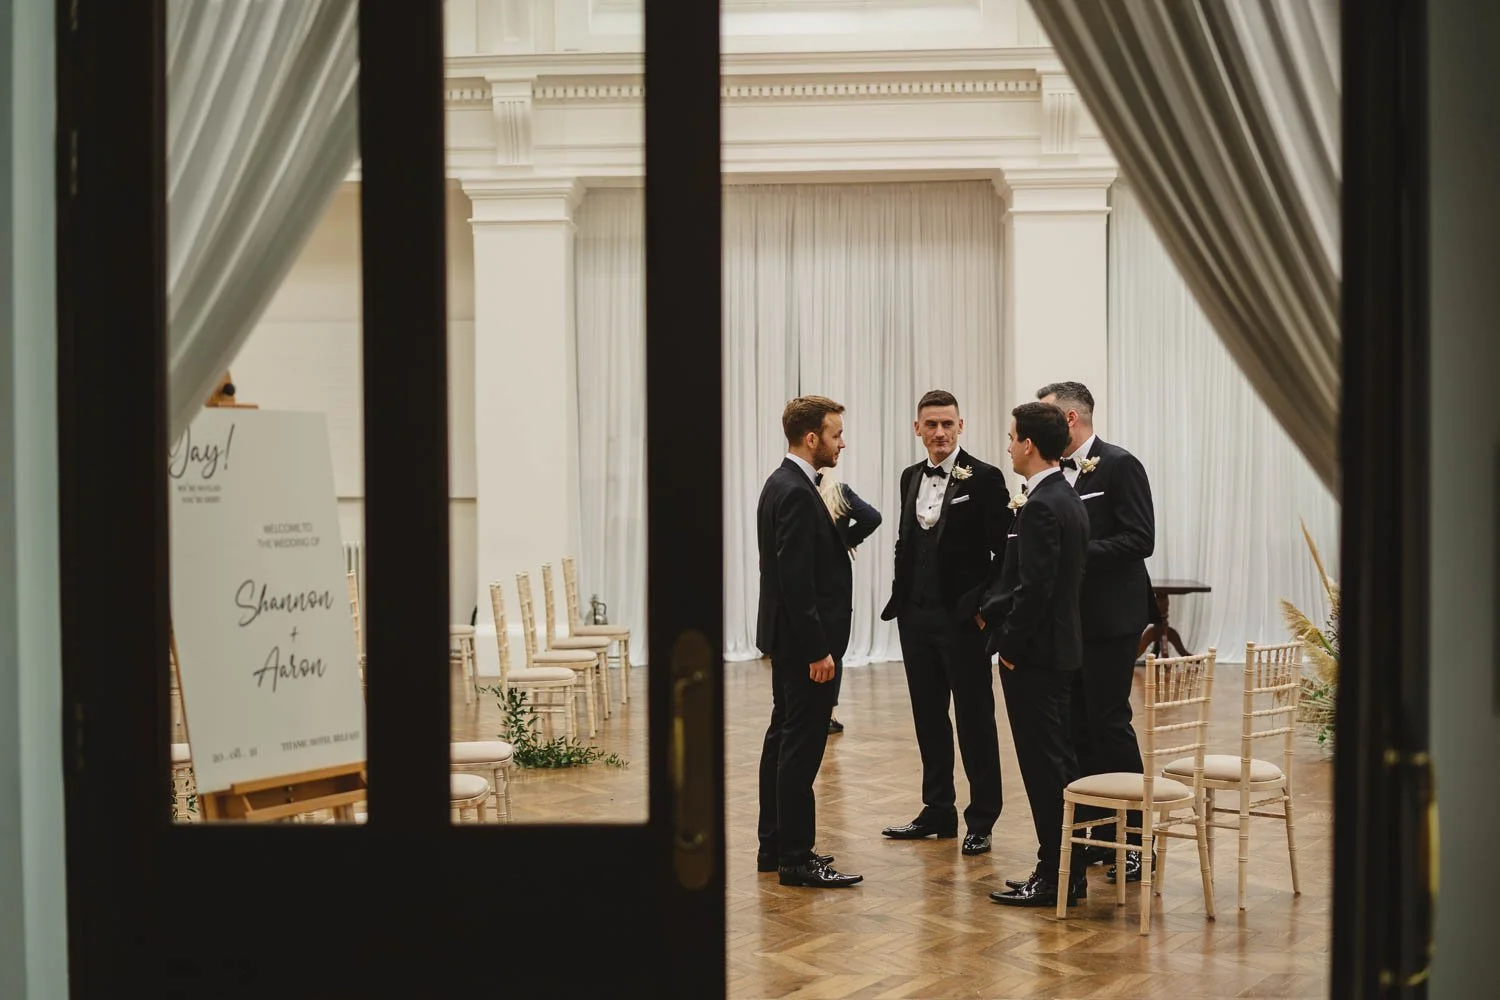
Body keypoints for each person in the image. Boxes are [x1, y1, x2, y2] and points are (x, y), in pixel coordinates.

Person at [879, 390, 1010, 857]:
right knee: (928, 717)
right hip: (915, 619)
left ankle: (982, 817)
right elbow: (906, 540)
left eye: (947, 424)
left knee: (975, 719)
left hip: (963, 622)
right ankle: (938, 808)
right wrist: (901, 597)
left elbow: (1005, 552)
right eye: (931, 424)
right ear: (917, 428)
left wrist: (984, 608)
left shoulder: (987, 478)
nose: (939, 432)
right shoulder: (909, 477)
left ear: (961, 426)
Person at [1036, 381, 1155, 884]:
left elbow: (1139, 538)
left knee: (1108, 723)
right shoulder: (1052, 473)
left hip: (1111, 620)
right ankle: (1090, 835)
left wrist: (1076, 553)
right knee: (1074, 727)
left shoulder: (1119, 464)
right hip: (1071, 622)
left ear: (1068, 419)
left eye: (1043, 417)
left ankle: (1135, 842)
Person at [980, 401, 1091, 908]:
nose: (1007, 444)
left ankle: (1055, 875)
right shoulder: (1066, 497)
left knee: (1043, 766)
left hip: (1037, 656)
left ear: (1028, 444)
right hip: (1060, 649)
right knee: (1058, 761)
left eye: (1011, 437)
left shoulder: (1044, 503)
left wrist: (1008, 646)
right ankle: (1069, 868)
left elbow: (1036, 589)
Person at [755, 395, 864, 888]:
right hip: (806, 644)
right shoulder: (797, 491)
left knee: (783, 737)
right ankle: (797, 858)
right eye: (836, 434)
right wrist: (819, 649)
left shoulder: (781, 483)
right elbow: (796, 582)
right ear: (812, 437)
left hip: (789, 638)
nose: (843, 442)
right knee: (801, 745)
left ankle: (774, 846)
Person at [815, 467, 883, 734]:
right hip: (835, 582)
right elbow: (872, 518)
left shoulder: (801, 493)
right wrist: (845, 540)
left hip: (810, 577)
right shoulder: (839, 493)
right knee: (835, 645)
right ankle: (829, 713)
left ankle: (812, 708)